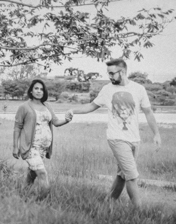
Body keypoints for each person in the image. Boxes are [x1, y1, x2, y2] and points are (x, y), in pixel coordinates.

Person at [66, 58, 161, 209]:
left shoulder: (139, 89)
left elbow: (148, 112)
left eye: (112, 73)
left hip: (134, 139)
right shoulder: (107, 89)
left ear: (122, 72)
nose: (109, 77)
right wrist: (73, 110)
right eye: (108, 73)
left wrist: (156, 133)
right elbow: (92, 106)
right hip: (116, 138)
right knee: (131, 176)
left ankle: (107, 205)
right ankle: (139, 212)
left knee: (122, 176)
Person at [12, 79, 71, 196]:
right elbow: (17, 127)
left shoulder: (47, 105)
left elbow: (56, 122)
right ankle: (45, 200)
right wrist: (15, 147)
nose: (39, 91)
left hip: (43, 148)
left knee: (32, 173)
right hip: (30, 147)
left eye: (41, 89)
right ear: (31, 91)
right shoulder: (24, 107)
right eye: (36, 88)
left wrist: (67, 120)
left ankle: (23, 195)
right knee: (42, 173)